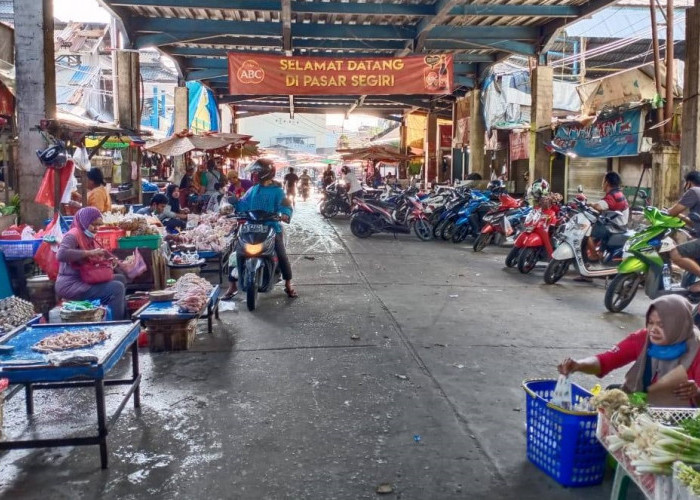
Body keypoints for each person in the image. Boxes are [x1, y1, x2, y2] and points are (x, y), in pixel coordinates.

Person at [558, 295, 700, 405]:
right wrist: (578, 365)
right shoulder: (643, 338)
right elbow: (605, 361)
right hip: (639, 407)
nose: (654, 330)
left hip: (680, 419)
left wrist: (695, 392)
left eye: (662, 325)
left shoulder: (696, 349)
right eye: (650, 323)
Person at [231, 159, 298, 298]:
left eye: (256, 172)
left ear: (265, 173)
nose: (254, 175)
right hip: (251, 227)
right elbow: (243, 204)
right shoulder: (253, 189)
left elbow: (286, 206)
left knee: (281, 254)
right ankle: (233, 286)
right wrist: (234, 203)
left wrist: (285, 214)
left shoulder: (278, 191)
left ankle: (288, 283)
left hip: (271, 227)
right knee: (237, 252)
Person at [55, 207, 126, 320]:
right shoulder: (73, 235)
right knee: (117, 288)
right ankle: (117, 324)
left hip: (85, 278)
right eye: (93, 225)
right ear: (84, 222)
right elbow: (61, 254)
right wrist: (89, 253)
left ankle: (110, 315)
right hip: (72, 284)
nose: (96, 228)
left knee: (120, 279)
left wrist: (111, 260)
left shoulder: (88, 236)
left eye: (98, 225)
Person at [586, 172, 630, 262]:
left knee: (586, 233)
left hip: (615, 226)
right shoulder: (618, 193)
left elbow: (599, 206)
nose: (602, 183)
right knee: (598, 224)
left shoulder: (613, 196)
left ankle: (594, 256)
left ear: (607, 182)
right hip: (620, 224)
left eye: (603, 180)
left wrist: (589, 204)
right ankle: (600, 253)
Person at [669, 172, 700, 292]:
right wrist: (681, 217)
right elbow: (695, 223)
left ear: (689, 183)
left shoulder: (694, 191)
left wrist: (665, 212)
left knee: (675, 253)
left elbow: (672, 212)